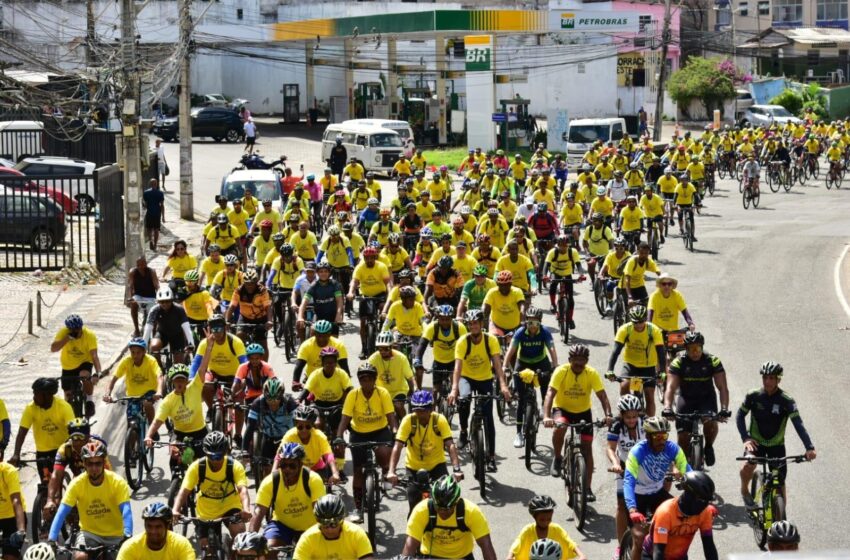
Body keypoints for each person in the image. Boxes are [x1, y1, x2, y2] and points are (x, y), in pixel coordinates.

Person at [737, 361, 816, 508]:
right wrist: (745, 438)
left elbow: (798, 424)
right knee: (748, 464)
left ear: (778, 379)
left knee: (779, 482)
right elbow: (740, 416)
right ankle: (744, 490)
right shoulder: (753, 395)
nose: (767, 381)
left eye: (771, 378)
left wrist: (809, 447)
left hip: (776, 447)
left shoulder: (787, 400)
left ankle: (781, 517)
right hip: (756, 443)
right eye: (765, 377)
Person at [543, 344, 612, 493]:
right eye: (576, 359)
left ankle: (587, 488)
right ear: (570, 359)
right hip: (562, 409)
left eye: (582, 360)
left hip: (583, 412)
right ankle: (557, 458)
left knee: (587, 448)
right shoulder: (561, 371)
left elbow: (602, 396)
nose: (579, 363)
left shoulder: (591, 373)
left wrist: (608, 415)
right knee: (560, 427)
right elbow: (550, 393)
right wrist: (547, 416)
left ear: (586, 361)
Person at [447, 309, 510, 472]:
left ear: (481, 324)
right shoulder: (462, 342)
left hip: (485, 379)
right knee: (464, 400)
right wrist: (454, 389)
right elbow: (457, 367)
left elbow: (497, 365)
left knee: (489, 418)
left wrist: (503, 385)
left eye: (475, 323)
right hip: (466, 378)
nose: (473, 326)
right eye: (470, 324)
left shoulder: (491, 340)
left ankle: (490, 457)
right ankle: (463, 431)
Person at [335, 363, 398, 523]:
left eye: (370, 378)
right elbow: (345, 419)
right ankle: (358, 507)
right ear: (359, 380)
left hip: (380, 431)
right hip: (359, 434)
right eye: (363, 378)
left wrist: (396, 431)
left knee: (384, 453)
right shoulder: (353, 395)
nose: (366, 381)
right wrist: (339, 436)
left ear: (375, 379)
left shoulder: (382, 393)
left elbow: (391, 416)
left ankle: (385, 473)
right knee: (357, 470)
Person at [48, 440, 133, 560]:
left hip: (116, 535)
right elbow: (62, 512)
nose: (94, 468)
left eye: (98, 463)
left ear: (104, 462)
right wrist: (52, 539)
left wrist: (128, 534)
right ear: (84, 464)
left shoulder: (118, 482)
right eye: (90, 464)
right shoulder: (77, 484)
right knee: (80, 557)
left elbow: (126, 510)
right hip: (89, 534)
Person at [622, 417, 691, 560]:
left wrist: (701, 498)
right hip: (637, 496)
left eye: (664, 436)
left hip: (658, 493)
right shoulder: (637, 452)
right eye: (657, 436)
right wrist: (632, 509)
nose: (661, 440)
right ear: (648, 437)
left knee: (679, 525)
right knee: (640, 538)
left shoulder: (673, 449)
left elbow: (689, 473)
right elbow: (628, 482)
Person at [172, 431, 251, 555]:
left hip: (230, 506)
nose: (215, 460)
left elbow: (243, 490)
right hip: (206, 511)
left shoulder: (234, 466)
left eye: (219, 456)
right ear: (205, 453)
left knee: (239, 535)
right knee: (207, 550)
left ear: (226, 452)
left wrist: (246, 509)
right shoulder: (197, 467)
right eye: (211, 456)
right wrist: (176, 510)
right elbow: (184, 491)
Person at [387, 390, 463, 513]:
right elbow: (398, 446)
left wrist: (457, 469)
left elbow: (450, 445)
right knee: (414, 508)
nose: (421, 414)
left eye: (424, 410)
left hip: (437, 466)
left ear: (431, 408)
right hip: (413, 467)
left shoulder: (439, 420)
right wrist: (391, 471)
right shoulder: (408, 421)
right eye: (417, 410)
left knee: (445, 503)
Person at [662, 332, 730, 466]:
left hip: (706, 398)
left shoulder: (712, 361)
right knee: (683, 436)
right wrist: (667, 408)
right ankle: (684, 462)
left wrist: (724, 409)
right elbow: (670, 388)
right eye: (691, 349)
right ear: (685, 349)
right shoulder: (678, 362)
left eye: (698, 348)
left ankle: (709, 446)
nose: (695, 352)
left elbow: (722, 388)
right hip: (686, 399)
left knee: (710, 422)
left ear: (702, 347)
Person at [249, 442, 325, 549]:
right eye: (283, 465)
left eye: (292, 465)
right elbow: (259, 511)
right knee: (268, 549)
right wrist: (250, 537)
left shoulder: (313, 479)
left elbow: (320, 512)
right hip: (281, 526)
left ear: (301, 464)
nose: (287, 469)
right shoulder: (270, 481)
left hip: (310, 528)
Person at [402, 475, 498, 560]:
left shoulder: (471, 512)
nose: (442, 512)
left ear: (456, 502)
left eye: (448, 509)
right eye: (438, 508)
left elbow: (486, 546)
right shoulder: (421, 510)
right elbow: (410, 546)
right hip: (430, 557)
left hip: (462, 557)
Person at [504, 306, 558, 448]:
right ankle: (518, 433)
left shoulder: (545, 332)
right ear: (525, 322)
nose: (532, 326)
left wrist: (555, 365)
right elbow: (511, 350)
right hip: (523, 363)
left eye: (535, 323)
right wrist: (505, 367)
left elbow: (551, 349)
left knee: (546, 392)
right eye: (529, 322)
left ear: (540, 322)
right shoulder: (520, 332)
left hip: (541, 362)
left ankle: (544, 411)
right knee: (522, 399)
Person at [642, 472, 719, 560]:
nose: (705, 505)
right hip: (653, 555)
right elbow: (658, 551)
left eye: (707, 501)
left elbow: (709, 546)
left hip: (679, 557)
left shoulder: (705, 512)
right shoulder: (665, 513)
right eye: (701, 500)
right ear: (689, 496)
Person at [607, 305, 666, 417]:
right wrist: (610, 370)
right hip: (630, 365)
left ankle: (650, 423)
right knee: (624, 386)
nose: (638, 325)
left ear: (646, 319)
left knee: (649, 394)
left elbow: (661, 353)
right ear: (631, 320)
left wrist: (662, 371)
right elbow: (615, 352)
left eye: (641, 321)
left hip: (648, 367)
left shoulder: (654, 330)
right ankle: (624, 417)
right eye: (635, 322)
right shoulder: (625, 329)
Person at [606, 395, 645, 559]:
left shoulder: (646, 423)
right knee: (622, 505)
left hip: (644, 467)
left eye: (635, 416)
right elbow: (610, 448)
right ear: (621, 415)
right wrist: (615, 463)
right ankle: (620, 544)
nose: (632, 420)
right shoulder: (616, 426)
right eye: (628, 417)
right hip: (624, 467)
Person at [8, 378, 74, 471]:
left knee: (65, 473)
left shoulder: (64, 407)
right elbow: (22, 432)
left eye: (36, 394)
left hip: (63, 448)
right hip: (42, 452)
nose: (33, 397)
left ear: (47, 395)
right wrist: (16, 454)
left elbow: (73, 431)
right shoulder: (30, 408)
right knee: (45, 482)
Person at [241, 378, 297, 480]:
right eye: (269, 399)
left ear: (282, 396)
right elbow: (250, 428)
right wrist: (245, 450)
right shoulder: (257, 403)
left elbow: (299, 424)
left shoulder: (289, 402)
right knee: (267, 469)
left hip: (289, 439)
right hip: (269, 438)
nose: (273, 403)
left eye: (276, 399)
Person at [292, 495, 374, 560]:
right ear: (318, 521)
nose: (330, 529)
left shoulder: (356, 533)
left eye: (334, 524)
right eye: (325, 523)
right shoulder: (307, 538)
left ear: (342, 520)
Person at [50, 314, 102, 417]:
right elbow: (53, 349)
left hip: (84, 362)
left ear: (81, 327)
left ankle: (89, 401)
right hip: (68, 365)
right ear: (68, 329)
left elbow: (94, 356)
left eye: (77, 330)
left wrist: (97, 373)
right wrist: (66, 339)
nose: (75, 332)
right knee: (68, 397)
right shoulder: (64, 333)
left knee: (85, 375)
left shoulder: (89, 335)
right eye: (72, 330)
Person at [103, 338, 162, 425]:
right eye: (132, 352)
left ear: (144, 352)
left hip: (149, 392)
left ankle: (152, 427)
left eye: (138, 352)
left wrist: (159, 391)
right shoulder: (126, 361)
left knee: (147, 404)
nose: (135, 355)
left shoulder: (151, 361)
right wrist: (107, 394)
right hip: (132, 395)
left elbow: (159, 376)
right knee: (131, 421)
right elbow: (113, 379)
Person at [507, 496, 585, 560]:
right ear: (534, 517)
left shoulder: (556, 529)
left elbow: (570, 542)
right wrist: (510, 556)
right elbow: (517, 544)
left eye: (549, 519)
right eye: (542, 519)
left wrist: (581, 555)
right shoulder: (527, 530)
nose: (545, 522)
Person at [278, 406, 341, 484]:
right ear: (295, 425)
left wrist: (335, 473)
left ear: (312, 425)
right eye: (300, 427)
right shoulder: (290, 435)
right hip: (296, 469)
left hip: (317, 468)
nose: (304, 430)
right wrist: (274, 471)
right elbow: (279, 455)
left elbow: (328, 455)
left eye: (308, 426)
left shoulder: (319, 436)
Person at [347, 246, 392, 359]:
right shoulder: (360, 267)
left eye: (371, 258)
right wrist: (351, 292)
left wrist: (390, 293)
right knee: (363, 322)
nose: (369, 260)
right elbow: (354, 281)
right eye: (367, 258)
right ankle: (364, 348)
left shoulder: (381, 266)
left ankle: (383, 329)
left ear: (375, 257)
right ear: (364, 258)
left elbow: (388, 282)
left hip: (379, 294)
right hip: (365, 296)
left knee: (383, 309)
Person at [414, 305, 467, 396]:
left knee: (456, 387)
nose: (445, 322)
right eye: (442, 319)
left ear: (452, 318)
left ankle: (456, 406)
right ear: (438, 318)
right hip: (438, 362)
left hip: (454, 360)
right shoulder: (432, 328)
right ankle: (434, 409)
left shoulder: (459, 328)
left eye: (447, 319)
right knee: (435, 391)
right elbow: (422, 345)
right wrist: (418, 359)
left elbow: (467, 345)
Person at [116, 503, 195, 560]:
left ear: (167, 526)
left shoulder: (181, 544)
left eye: (158, 527)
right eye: (149, 526)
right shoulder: (130, 547)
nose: (153, 531)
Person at [227, 269, 273, 360]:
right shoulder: (239, 290)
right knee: (239, 336)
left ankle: (265, 367)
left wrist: (269, 321)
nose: (249, 286)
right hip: (244, 317)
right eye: (247, 283)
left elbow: (268, 307)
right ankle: (240, 360)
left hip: (260, 318)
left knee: (263, 344)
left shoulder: (262, 290)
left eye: (252, 283)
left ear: (256, 282)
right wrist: (227, 320)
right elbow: (232, 306)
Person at [144, 287, 193, 370]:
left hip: (177, 335)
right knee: (154, 347)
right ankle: (159, 368)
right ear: (158, 302)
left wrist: (191, 343)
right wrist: (143, 345)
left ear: (171, 300)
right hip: (162, 334)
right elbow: (148, 328)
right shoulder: (154, 310)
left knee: (178, 367)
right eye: (162, 302)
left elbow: (186, 327)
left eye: (167, 301)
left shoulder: (179, 309)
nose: (165, 304)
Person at [370, 331, 416, 420]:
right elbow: (367, 376)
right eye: (380, 349)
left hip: (399, 390)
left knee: (398, 406)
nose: (383, 352)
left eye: (386, 349)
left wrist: (413, 390)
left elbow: (410, 377)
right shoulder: (373, 359)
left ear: (391, 347)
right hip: (381, 391)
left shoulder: (401, 358)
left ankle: (405, 424)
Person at [0, 453, 26, 560]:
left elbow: (16, 501)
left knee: (10, 557)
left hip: (12, 517)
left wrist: (20, 530)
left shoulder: (9, 471)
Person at [126, 256, 159, 337]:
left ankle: (154, 332)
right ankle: (137, 329)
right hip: (138, 296)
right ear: (136, 265)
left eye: (143, 264)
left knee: (154, 312)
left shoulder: (152, 272)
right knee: (134, 305)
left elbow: (156, 285)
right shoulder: (133, 272)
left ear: (146, 264)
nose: (141, 266)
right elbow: (130, 285)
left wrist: (159, 296)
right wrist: (131, 297)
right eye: (139, 265)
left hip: (151, 297)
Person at [142, 178, 165, 251]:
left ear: (150, 184)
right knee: (156, 229)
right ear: (157, 184)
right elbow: (162, 205)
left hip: (149, 213)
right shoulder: (160, 193)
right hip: (157, 213)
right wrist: (163, 216)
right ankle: (155, 245)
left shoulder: (146, 193)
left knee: (149, 228)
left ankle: (150, 240)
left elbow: (145, 205)